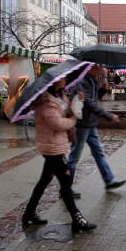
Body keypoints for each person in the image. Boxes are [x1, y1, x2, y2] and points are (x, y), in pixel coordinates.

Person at [22, 77, 97, 233]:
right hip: (52, 149)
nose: (65, 80)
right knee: (66, 185)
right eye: (62, 79)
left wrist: (77, 102)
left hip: (55, 146)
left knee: (44, 182)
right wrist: (73, 119)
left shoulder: (58, 97)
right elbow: (58, 124)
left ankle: (28, 213)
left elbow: (66, 112)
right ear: (55, 82)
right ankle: (77, 219)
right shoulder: (45, 103)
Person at [67, 64, 126, 195]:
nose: (99, 69)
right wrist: (108, 115)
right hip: (82, 125)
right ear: (89, 68)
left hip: (90, 124)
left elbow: (94, 99)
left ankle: (109, 181)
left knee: (99, 153)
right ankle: (65, 188)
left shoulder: (92, 81)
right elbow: (88, 103)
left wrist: (103, 90)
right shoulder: (81, 83)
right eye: (96, 67)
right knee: (74, 157)